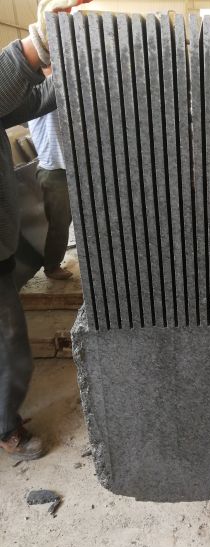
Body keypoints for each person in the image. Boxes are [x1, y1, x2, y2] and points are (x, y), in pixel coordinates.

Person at [0, 0, 92, 461]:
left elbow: (36, 99)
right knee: (9, 341)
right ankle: (5, 426)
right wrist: (33, 47)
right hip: (52, 170)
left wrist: (74, 66)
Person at [29, 93, 73, 280]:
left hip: (76, 166)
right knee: (59, 223)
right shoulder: (41, 93)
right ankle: (52, 266)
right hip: (54, 169)